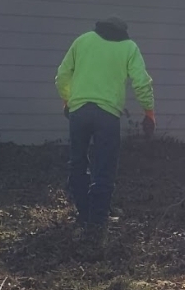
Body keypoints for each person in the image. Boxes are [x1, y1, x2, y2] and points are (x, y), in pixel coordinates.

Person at [55, 18, 155, 242]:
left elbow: (62, 75)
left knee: (77, 162)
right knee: (105, 168)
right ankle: (97, 223)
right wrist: (149, 112)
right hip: (107, 115)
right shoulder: (129, 47)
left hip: (79, 111)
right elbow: (141, 82)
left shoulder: (83, 40)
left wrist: (67, 100)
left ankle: (84, 214)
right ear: (123, 31)